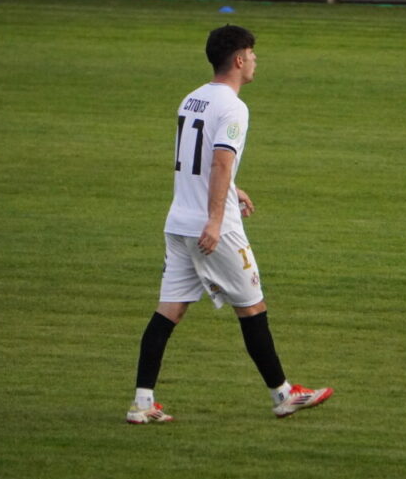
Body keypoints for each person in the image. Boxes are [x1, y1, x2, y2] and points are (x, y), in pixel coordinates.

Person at [126, 23, 333, 424]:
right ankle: (283, 394)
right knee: (251, 306)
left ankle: (142, 403)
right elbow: (220, 159)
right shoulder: (234, 107)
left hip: (179, 221)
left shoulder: (192, 100)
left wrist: (232, 187)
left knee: (168, 311)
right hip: (210, 228)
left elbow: (197, 157)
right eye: (253, 54)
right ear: (239, 59)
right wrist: (217, 219)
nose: (256, 61)